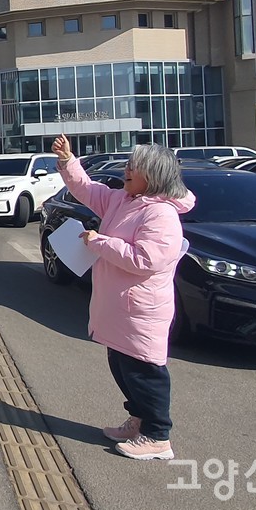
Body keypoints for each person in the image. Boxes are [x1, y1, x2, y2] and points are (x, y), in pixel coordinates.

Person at [52, 135, 195, 461]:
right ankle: (139, 420)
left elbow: (146, 260)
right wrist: (68, 161)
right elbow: (87, 190)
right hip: (120, 307)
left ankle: (158, 435)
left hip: (141, 309)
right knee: (121, 364)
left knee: (145, 370)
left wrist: (98, 242)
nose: (126, 170)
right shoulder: (124, 199)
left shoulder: (161, 214)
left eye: (135, 166)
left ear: (154, 175)